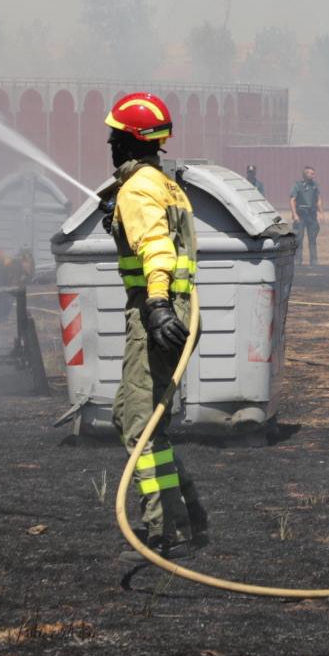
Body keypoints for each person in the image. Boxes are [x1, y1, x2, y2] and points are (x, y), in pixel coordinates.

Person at [103, 92, 209, 561]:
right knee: (131, 416)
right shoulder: (164, 185)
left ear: (129, 141)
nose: (110, 144)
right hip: (176, 311)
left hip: (157, 315)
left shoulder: (138, 189)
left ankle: (166, 532)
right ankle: (188, 513)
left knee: (140, 429)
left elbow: (158, 250)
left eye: (115, 136)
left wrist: (158, 304)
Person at [289, 165, 323, 265]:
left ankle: (314, 261)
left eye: (314, 174)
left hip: (312, 215)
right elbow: (292, 200)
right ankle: (298, 260)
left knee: (312, 239)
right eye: (311, 173)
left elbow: (318, 199)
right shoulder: (297, 185)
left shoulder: (315, 185)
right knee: (299, 239)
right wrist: (294, 214)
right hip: (301, 215)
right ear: (305, 174)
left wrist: (321, 213)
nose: (313, 175)